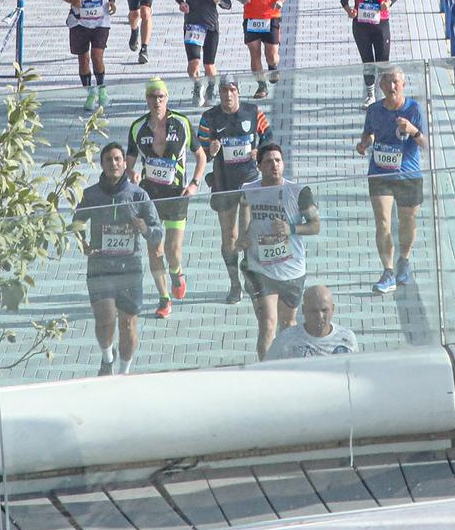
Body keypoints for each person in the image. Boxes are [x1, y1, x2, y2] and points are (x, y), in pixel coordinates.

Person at [75, 144, 162, 375]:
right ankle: (107, 357)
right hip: (99, 267)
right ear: (101, 165)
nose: (113, 164)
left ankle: (124, 373)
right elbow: (76, 222)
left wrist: (145, 229)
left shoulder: (138, 195)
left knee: (127, 324)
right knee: (104, 320)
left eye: (117, 159)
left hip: (129, 269)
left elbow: (157, 231)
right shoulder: (91, 194)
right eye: (108, 160)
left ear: (125, 163)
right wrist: (81, 242)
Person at [129, 79, 204, 321]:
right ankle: (164, 298)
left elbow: (200, 156)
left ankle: (176, 272)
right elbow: (129, 163)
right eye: (152, 97)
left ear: (167, 99)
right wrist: (133, 174)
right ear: (147, 100)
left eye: (161, 97)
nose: (157, 101)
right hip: (149, 196)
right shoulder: (137, 127)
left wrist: (194, 183)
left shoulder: (181, 123)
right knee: (155, 249)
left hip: (176, 195)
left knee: (172, 250)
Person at [195, 74, 274, 304]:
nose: (228, 95)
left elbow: (268, 136)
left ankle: (250, 278)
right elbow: (199, 147)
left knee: (246, 234)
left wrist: (258, 152)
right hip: (223, 181)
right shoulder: (210, 117)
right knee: (229, 237)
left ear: (238, 92)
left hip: (248, 178)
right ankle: (234, 283)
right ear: (219, 94)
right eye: (224, 91)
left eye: (232, 90)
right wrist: (210, 148)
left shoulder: (253, 112)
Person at [239, 141, 321, 360]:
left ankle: (289, 368)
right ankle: (264, 372)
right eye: (268, 162)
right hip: (260, 268)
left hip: (291, 269)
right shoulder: (249, 190)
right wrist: (243, 234)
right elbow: (244, 206)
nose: (274, 166)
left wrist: (291, 229)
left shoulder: (298, 192)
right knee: (267, 324)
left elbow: (315, 226)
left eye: (278, 161)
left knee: (288, 325)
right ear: (259, 166)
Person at [355, 66, 425, 294]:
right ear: (381, 87)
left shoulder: (414, 109)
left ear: (403, 85)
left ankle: (404, 260)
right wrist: (364, 143)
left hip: (408, 173)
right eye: (387, 83)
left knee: (407, 220)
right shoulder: (375, 110)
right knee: (383, 222)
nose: (392, 87)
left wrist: (413, 130)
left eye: (396, 82)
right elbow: (369, 132)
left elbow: (425, 144)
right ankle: (388, 271)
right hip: (380, 172)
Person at [173, 0, 234, 103]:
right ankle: (197, 86)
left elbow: (228, 4)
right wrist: (181, 3)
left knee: (209, 66)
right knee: (193, 65)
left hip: (211, 27)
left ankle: (211, 90)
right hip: (192, 26)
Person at [62, 0, 117, 104]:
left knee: (97, 55)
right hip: (79, 21)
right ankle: (89, 93)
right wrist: (72, 0)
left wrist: (112, 0)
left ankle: (101, 90)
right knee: (83, 58)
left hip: (100, 19)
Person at [340, 0, 400, 95]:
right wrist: (350, 11)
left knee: (383, 61)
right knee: (368, 62)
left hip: (381, 24)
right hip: (361, 26)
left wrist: (388, 4)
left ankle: (386, 93)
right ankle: (370, 94)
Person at [265, 284, 358, 360]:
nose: (319, 316)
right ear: (304, 310)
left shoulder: (347, 338)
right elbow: (267, 371)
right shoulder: (286, 339)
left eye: (324, 310)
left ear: (333, 309)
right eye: (314, 311)